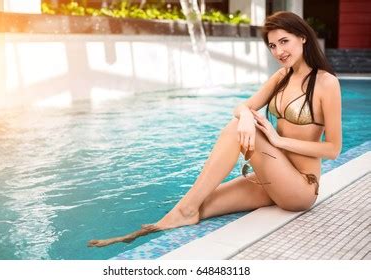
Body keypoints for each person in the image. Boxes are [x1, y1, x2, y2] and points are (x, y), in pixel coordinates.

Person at [88, 11, 342, 248]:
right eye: (273, 46)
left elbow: (333, 149)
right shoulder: (281, 77)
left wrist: (277, 140)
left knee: (234, 132)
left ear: (303, 37)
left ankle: (183, 213)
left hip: (300, 188)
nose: (279, 51)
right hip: (271, 180)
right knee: (201, 203)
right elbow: (244, 106)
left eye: (284, 42)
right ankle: (149, 231)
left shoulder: (326, 83)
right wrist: (245, 115)